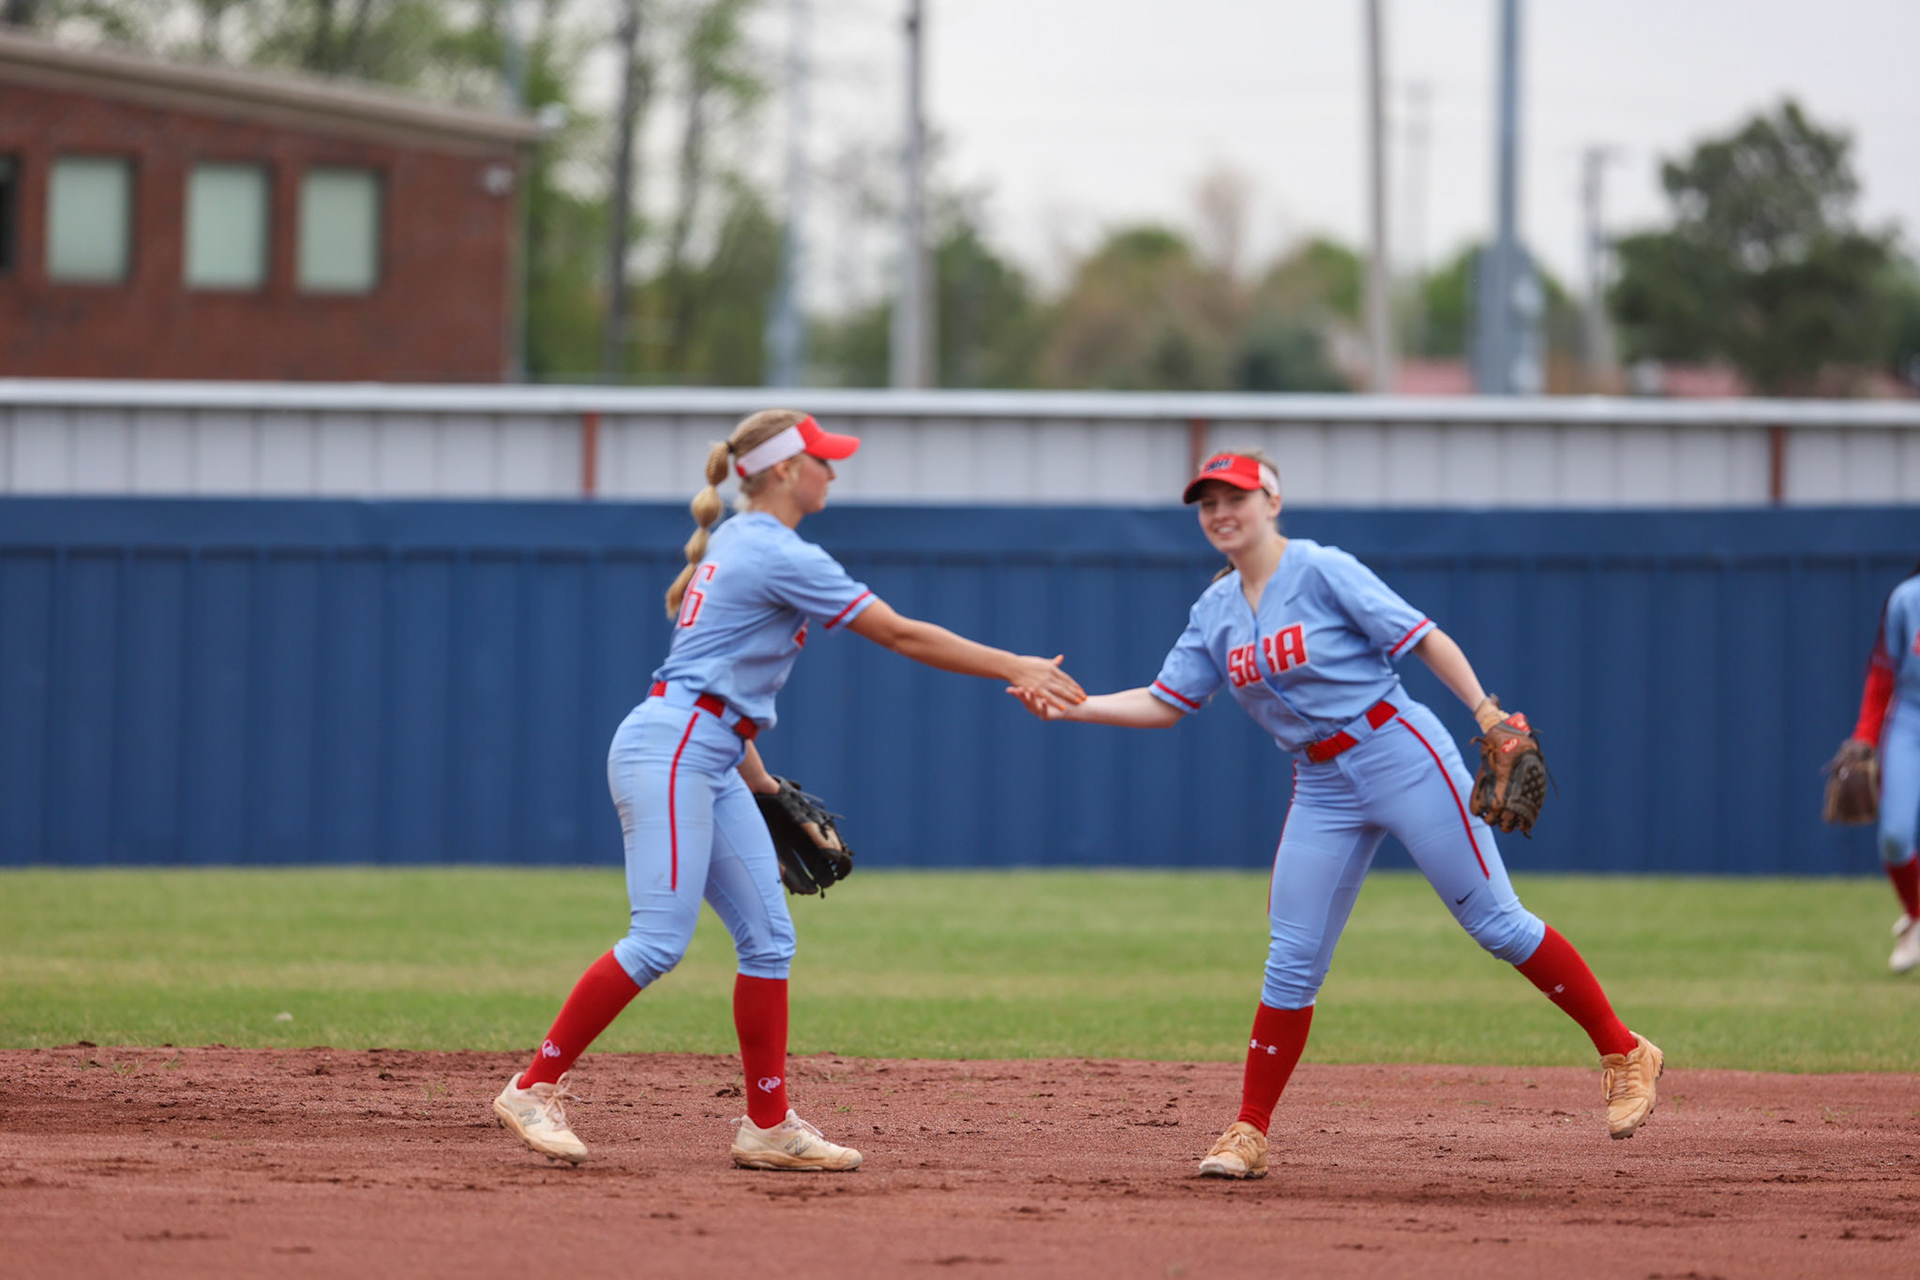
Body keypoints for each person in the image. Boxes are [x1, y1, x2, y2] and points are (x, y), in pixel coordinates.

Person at [1012, 449, 1663, 1179]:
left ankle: (1623, 1049)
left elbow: (1421, 638)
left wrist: (1484, 711)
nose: (1222, 513)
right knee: (1291, 957)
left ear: (1273, 502)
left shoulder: (1320, 569)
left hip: (1400, 750)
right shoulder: (1216, 611)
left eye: (1237, 497)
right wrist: (1076, 707)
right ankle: (1248, 1132)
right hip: (1321, 782)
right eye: (1208, 503)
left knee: (1495, 922)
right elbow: (1168, 702)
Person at [493, 408, 1084, 1170]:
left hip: (711, 751)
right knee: (659, 939)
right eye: (822, 461)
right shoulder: (774, 550)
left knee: (770, 940)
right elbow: (899, 633)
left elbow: (721, 695)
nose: (832, 472)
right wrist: (1015, 664)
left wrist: (766, 789)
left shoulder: (741, 540)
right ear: (782, 471)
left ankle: (767, 1126)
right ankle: (532, 1085)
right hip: (671, 750)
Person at [1840, 561, 1920, 973]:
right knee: (1894, 834)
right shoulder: (1908, 598)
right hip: (1910, 718)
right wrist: (1866, 737)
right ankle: (1916, 916)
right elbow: (1882, 675)